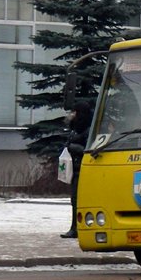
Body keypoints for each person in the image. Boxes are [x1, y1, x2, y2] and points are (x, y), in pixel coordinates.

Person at [61, 101, 93, 239]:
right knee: (74, 200)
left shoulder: (89, 130)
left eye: (75, 112)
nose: (72, 115)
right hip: (75, 169)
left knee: (80, 200)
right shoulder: (75, 128)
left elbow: (88, 149)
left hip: (84, 170)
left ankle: (80, 227)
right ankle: (74, 227)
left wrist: (72, 147)